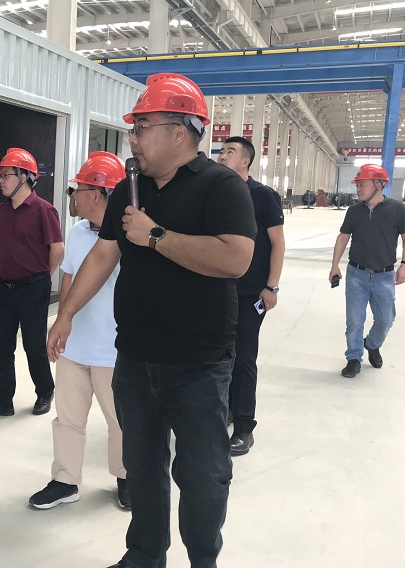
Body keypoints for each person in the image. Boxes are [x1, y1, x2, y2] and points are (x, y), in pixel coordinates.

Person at [47, 73, 256, 568]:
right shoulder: (129, 188)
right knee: (141, 467)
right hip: (135, 358)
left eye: (142, 127)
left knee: (202, 476)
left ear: (179, 131)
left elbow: (236, 258)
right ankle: (144, 555)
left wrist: (156, 236)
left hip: (199, 364)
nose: (133, 138)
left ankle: (203, 560)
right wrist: (65, 313)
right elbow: (104, 254)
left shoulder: (220, 186)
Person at [29, 152, 129, 511]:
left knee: (122, 421)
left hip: (114, 349)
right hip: (75, 347)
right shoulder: (77, 231)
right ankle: (65, 480)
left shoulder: (130, 238)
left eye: (77, 189)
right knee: (68, 418)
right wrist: (60, 323)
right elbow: (69, 280)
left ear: (98, 194)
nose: (71, 196)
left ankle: (127, 477)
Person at [0, 148, 64, 419]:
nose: (1, 180)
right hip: (5, 287)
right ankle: (3, 401)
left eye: (6, 175)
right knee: (1, 347)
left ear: (25, 177)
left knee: (34, 346)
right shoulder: (1, 210)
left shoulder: (44, 210)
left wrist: (43, 277)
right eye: (0, 175)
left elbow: (57, 249)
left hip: (33, 287)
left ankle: (45, 392)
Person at [217, 137, 285, 456]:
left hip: (250, 294)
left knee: (243, 358)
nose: (222, 156)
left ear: (245, 161)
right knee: (219, 356)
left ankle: (244, 426)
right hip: (219, 288)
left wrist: (271, 286)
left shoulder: (263, 196)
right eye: (221, 151)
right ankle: (227, 410)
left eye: (229, 152)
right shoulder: (215, 191)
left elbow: (278, 244)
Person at [329, 163, 405, 378]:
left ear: (379, 184)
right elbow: (343, 237)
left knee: (386, 320)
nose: (358, 189)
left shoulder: (397, 208)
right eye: (357, 185)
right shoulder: (354, 211)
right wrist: (335, 265)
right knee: (354, 321)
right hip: (356, 274)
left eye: (362, 184)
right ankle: (353, 358)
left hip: (385, 276)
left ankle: (372, 344)